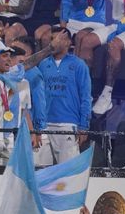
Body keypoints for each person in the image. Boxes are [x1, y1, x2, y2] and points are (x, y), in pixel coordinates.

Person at [0, 28, 52, 165]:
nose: (9, 59)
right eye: (4, 56)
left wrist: (50, 48)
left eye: (9, 56)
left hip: (0, 137)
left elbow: (28, 63)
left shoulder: (7, 78)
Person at [36, 27, 91, 165]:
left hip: (68, 125)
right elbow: (37, 96)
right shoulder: (43, 64)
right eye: (52, 38)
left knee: (68, 175)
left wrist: (84, 126)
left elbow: (86, 97)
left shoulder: (79, 65)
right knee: (41, 172)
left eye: (58, 39)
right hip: (44, 126)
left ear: (68, 42)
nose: (53, 42)